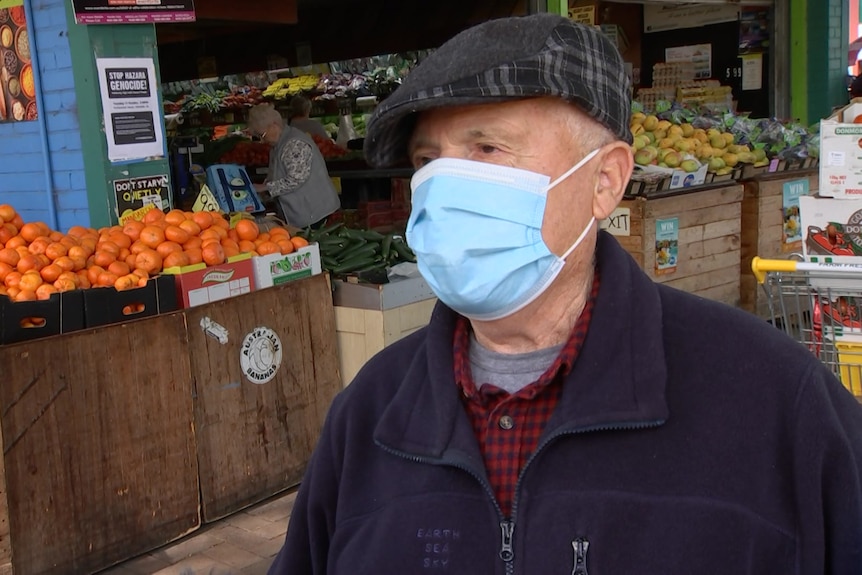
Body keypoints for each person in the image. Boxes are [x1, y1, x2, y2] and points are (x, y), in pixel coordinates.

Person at [268, 14, 862, 574]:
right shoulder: (368, 414)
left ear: (605, 182)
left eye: (487, 149)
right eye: (427, 160)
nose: (444, 186)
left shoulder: (776, 403)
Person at [247, 103, 340, 228]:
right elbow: (275, 175)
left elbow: (295, 180)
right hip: (304, 212)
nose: (261, 141)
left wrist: (264, 188)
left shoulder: (294, 144)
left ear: (273, 126)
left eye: (261, 135)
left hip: (316, 212)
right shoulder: (277, 145)